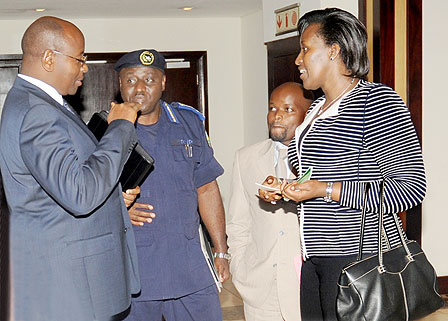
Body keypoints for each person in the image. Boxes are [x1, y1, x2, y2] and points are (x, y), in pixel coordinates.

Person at [259, 8, 427, 321]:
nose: (298, 59)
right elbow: (315, 175)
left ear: (334, 51)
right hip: (315, 258)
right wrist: (285, 188)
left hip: (358, 261)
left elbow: (410, 189)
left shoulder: (376, 102)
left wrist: (326, 190)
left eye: (306, 49)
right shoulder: (317, 108)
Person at [0, 16, 142, 321]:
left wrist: (115, 199)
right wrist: (119, 128)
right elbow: (80, 194)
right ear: (49, 58)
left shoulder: (46, 104)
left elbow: (61, 186)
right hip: (72, 287)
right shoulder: (37, 112)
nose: (85, 67)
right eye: (80, 58)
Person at [115, 49, 230, 321]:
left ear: (163, 83)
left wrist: (221, 250)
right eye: (130, 80)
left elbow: (207, 188)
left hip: (189, 268)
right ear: (119, 85)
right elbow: (85, 196)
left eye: (149, 79)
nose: (140, 88)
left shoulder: (188, 123)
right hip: (135, 271)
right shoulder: (106, 130)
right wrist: (116, 211)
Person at [227, 82, 313, 321]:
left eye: (288, 109)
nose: (277, 116)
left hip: (305, 287)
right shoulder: (246, 158)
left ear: (308, 115)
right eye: (273, 108)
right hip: (260, 287)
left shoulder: (322, 160)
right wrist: (240, 269)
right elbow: (238, 221)